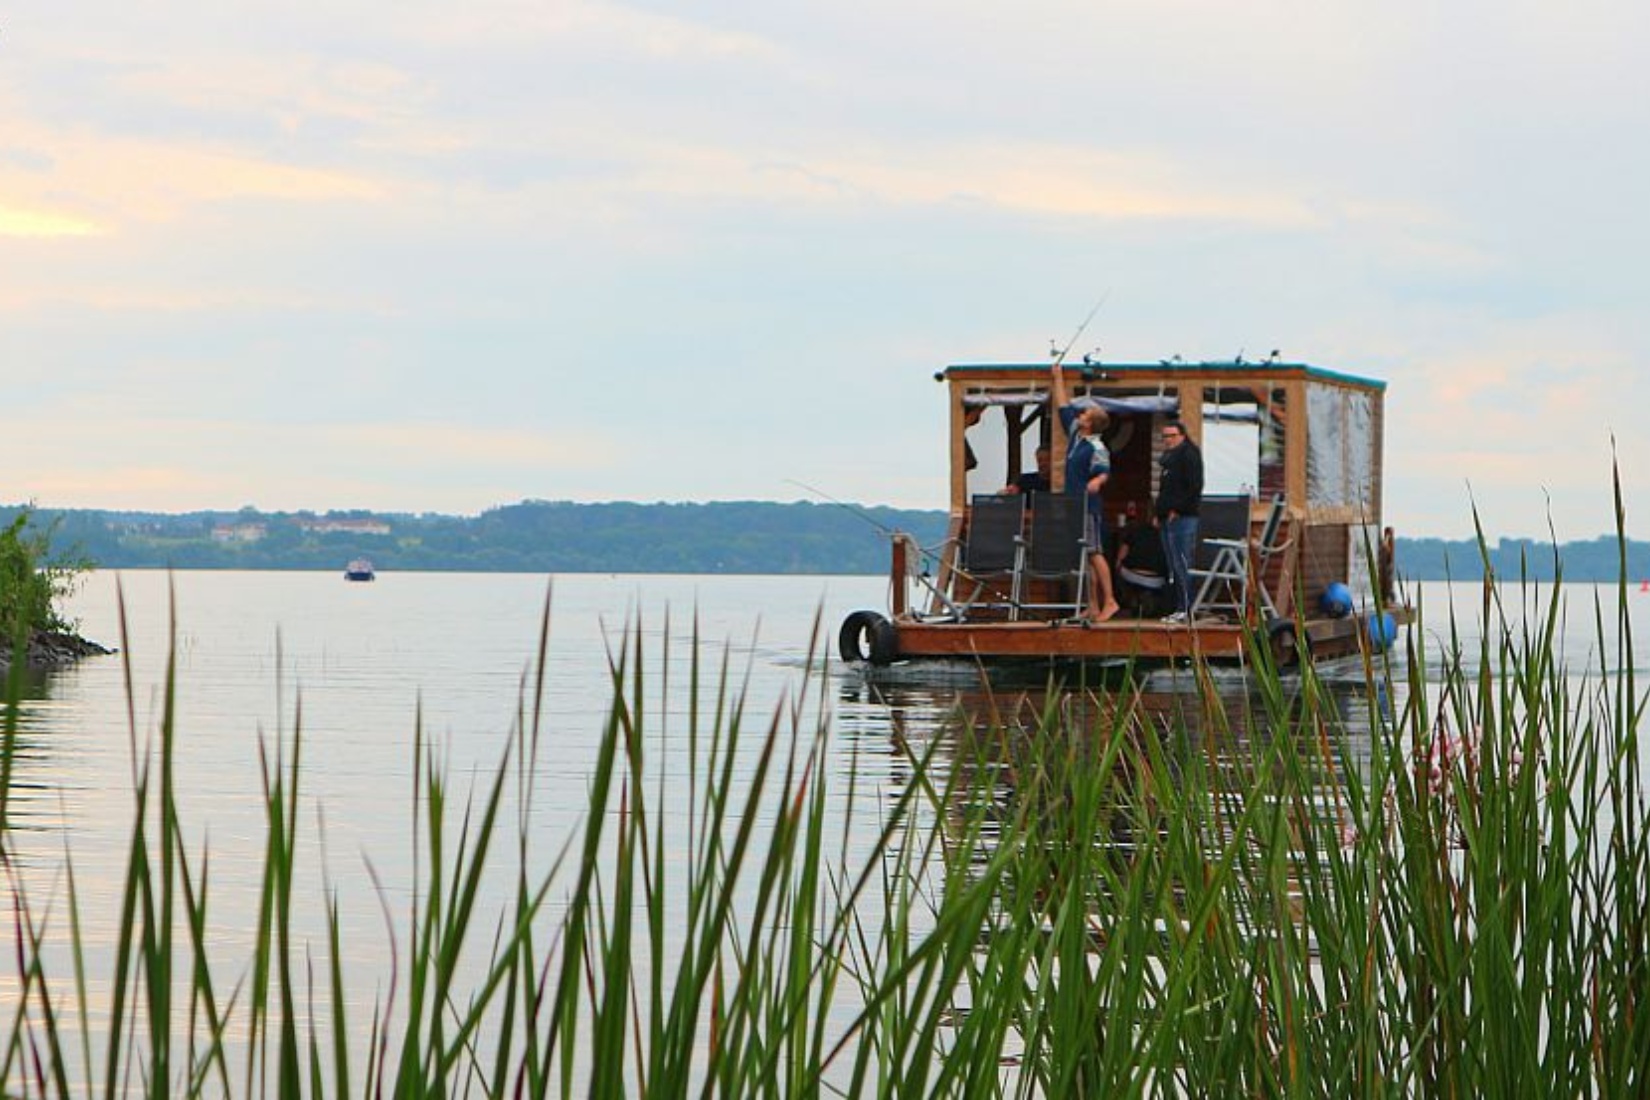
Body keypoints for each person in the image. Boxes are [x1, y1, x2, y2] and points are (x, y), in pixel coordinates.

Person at [1050, 362, 1120, 622]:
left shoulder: (1096, 446)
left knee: (1094, 552)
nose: (1079, 415)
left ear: (1090, 424)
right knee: (1084, 556)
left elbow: (1104, 470)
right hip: (1073, 505)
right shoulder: (1075, 436)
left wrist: (1098, 481)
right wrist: (1057, 377)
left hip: (1088, 506)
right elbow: (1063, 406)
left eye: (1085, 415)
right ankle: (1092, 605)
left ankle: (1110, 601)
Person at [1154, 419, 1204, 622]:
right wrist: (1159, 514)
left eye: (1172, 436)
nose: (1168, 440)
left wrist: (1177, 509)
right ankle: (1178, 607)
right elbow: (1165, 491)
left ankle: (1186, 607)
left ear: (1182, 436)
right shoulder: (1168, 459)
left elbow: (1194, 487)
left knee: (1182, 563)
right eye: (1165, 436)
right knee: (1172, 564)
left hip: (1183, 518)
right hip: (1166, 517)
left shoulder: (1189, 455)